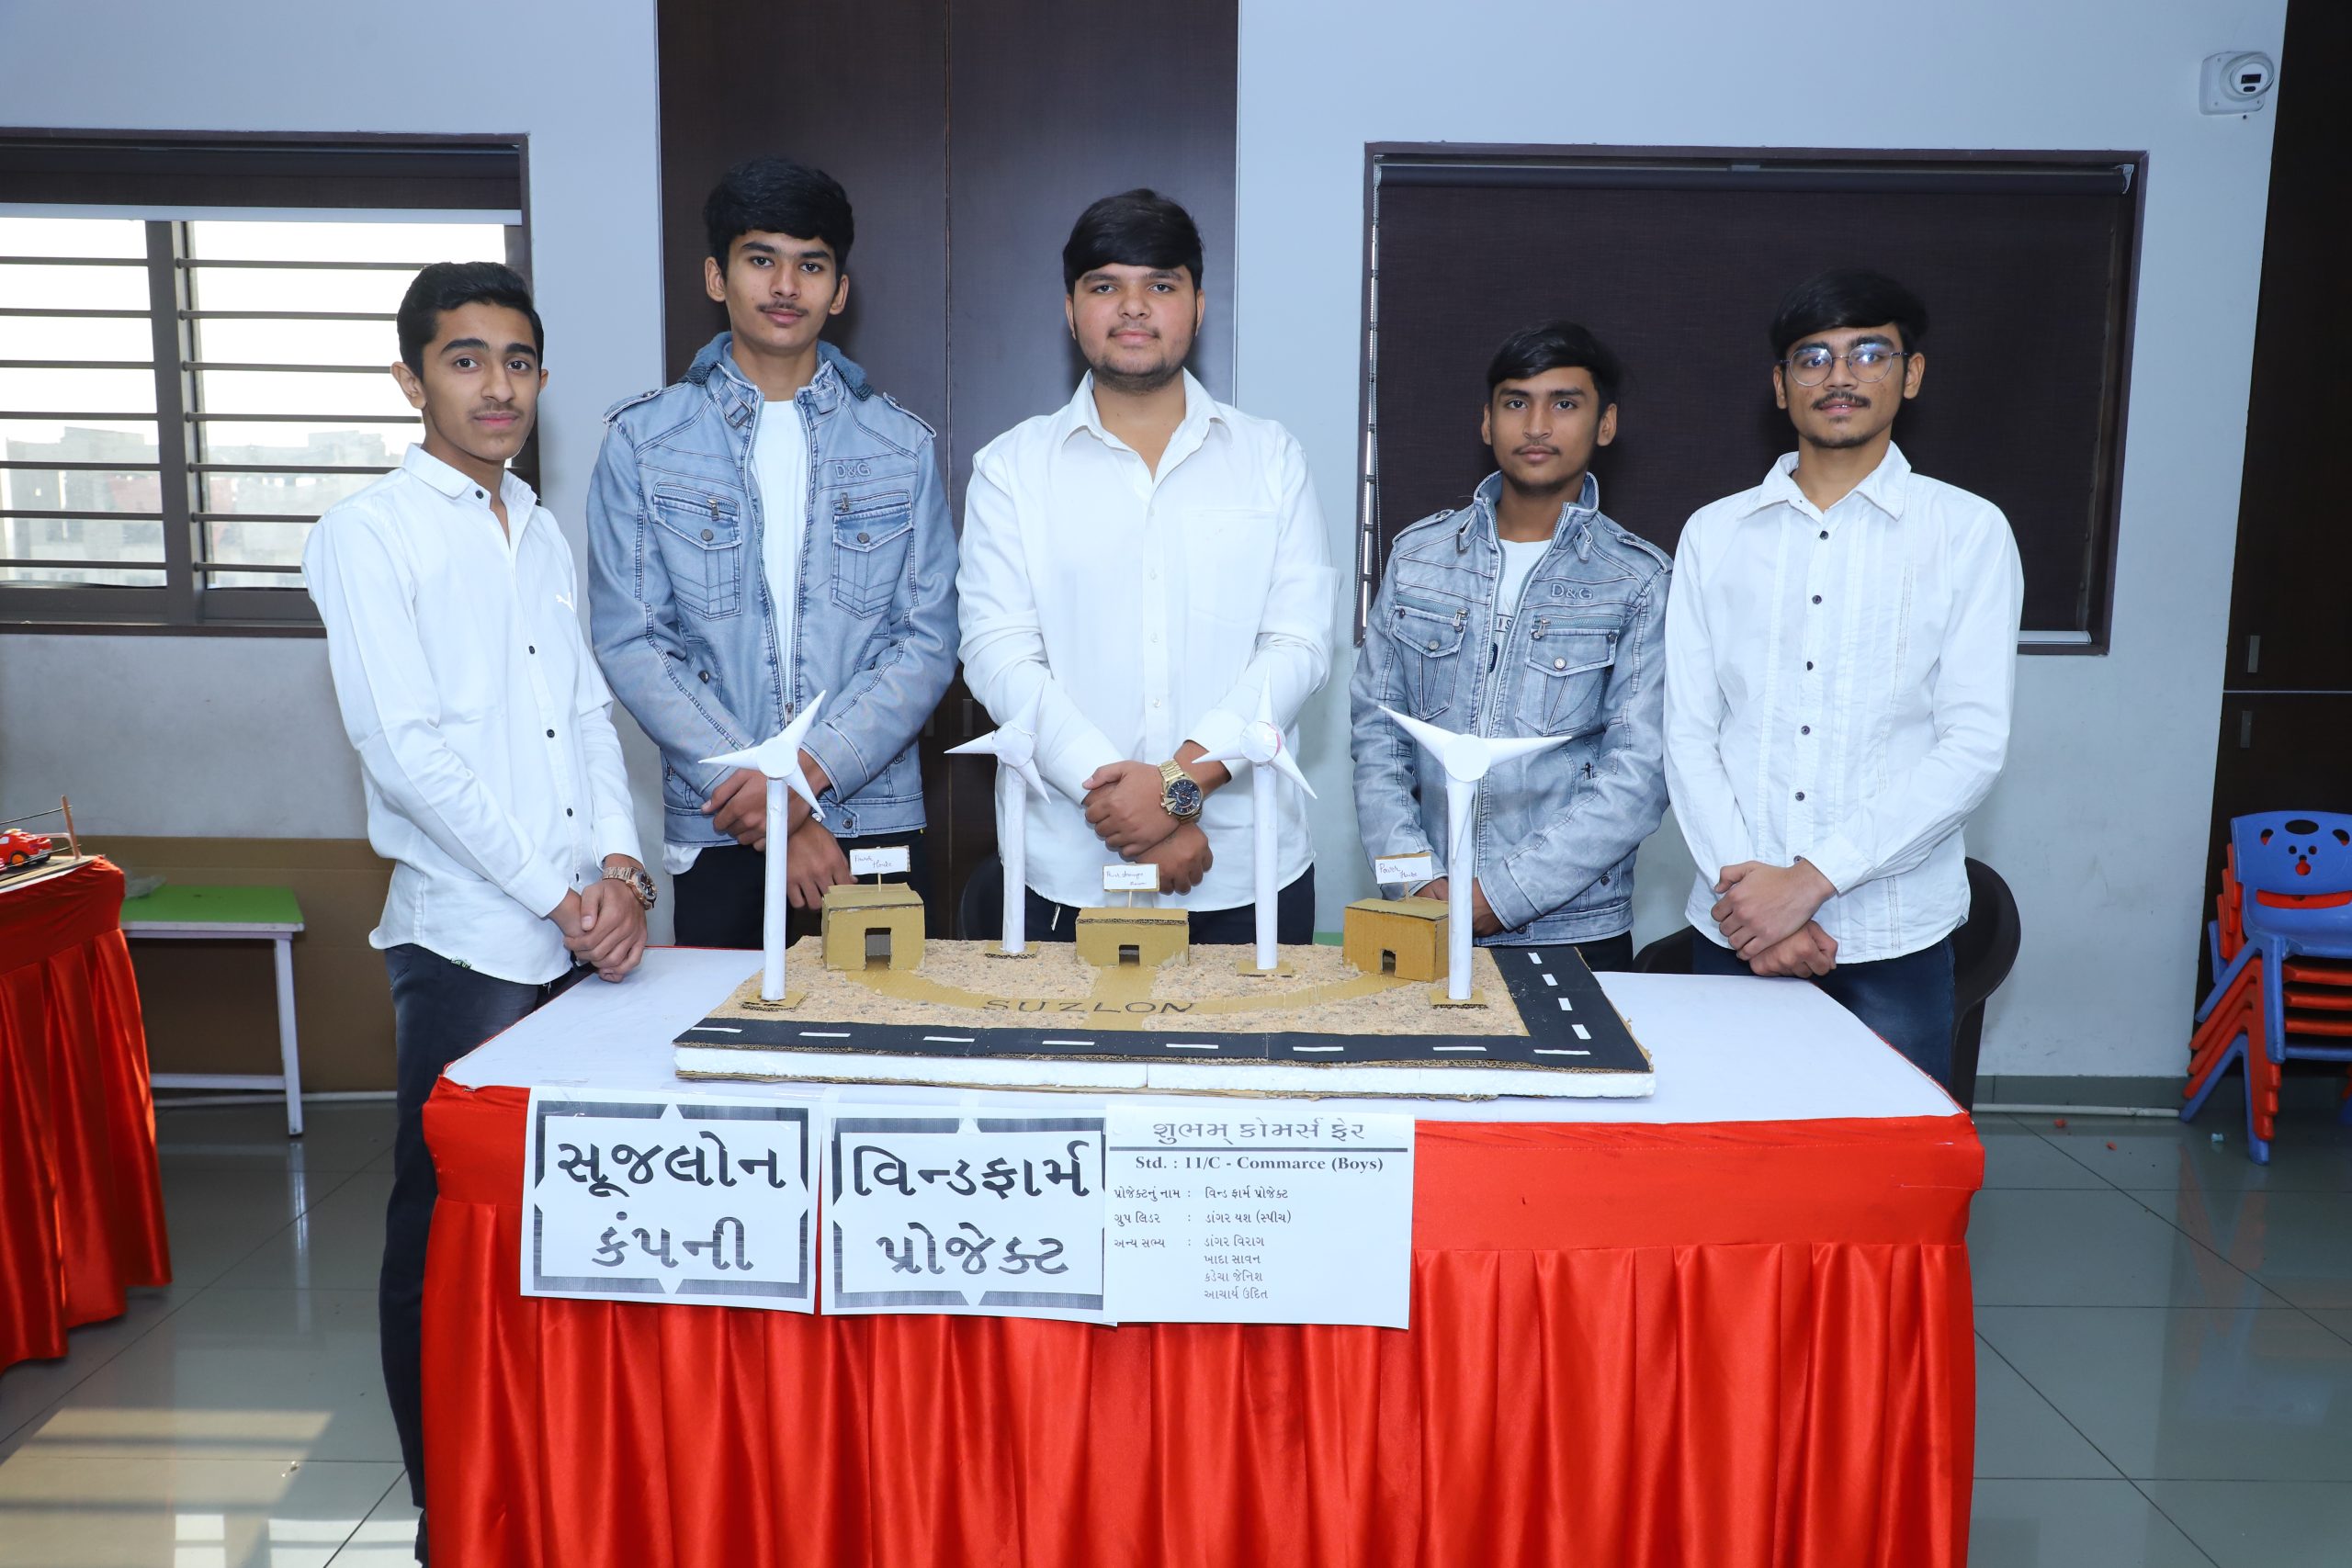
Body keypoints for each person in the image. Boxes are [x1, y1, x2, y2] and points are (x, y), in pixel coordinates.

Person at [304, 261, 651, 1562]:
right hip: (468, 943)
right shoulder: (369, 532)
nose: (496, 385)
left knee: (575, 1227)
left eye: (517, 360)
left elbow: (587, 717)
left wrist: (622, 871)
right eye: (465, 359)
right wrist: (560, 893)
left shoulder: (538, 528)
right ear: (412, 379)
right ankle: (448, 1497)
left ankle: (549, 1476)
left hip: (582, 937)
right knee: (446, 1234)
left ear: (541, 378)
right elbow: (406, 752)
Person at [1664, 266, 2022, 1085]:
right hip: (1736, 929)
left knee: (1883, 1159)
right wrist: (1757, 907)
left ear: (1911, 373)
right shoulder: (1714, 535)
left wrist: (1809, 882)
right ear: (1781, 386)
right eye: (1813, 357)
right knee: (1733, 1152)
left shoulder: (1968, 532)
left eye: (1869, 353)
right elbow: (1687, 734)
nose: (1840, 376)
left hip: (1894, 937)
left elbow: (1972, 746)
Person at [589, 156, 956, 945]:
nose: (786, 285)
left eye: (811, 265)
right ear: (716, 277)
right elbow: (634, 641)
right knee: (733, 1025)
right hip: (725, 823)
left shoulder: (903, 446)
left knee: (884, 1025)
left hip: (870, 820)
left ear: (840, 290)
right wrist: (770, 800)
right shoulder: (644, 443)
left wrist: (801, 786)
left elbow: (925, 641)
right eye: (761, 259)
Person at [958, 188, 1335, 942]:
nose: (1133, 307)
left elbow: (1298, 647)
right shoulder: (1010, 469)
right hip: (1066, 873)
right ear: (1070, 310)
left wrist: (1173, 786)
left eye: (1160, 285)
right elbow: (999, 657)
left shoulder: (1271, 458)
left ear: (1198, 306)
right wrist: (1134, 807)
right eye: (1105, 286)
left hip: (1249, 873)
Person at [1351, 321, 1669, 972]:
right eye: (1516, 402)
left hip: (1573, 929)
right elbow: (1377, 736)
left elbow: (1639, 773)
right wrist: (1415, 880)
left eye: (1565, 403)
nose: (1537, 425)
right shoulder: (1418, 557)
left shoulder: (1639, 579)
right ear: (1486, 421)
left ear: (1606, 424)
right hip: (1424, 916)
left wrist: (1497, 897)